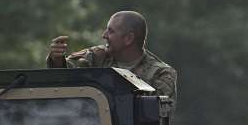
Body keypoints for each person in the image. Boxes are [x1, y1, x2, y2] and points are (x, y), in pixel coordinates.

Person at [46, 11, 177, 103]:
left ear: (128, 38)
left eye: (111, 31)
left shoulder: (161, 74)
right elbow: (65, 77)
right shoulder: (97, 56)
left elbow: (158, 115)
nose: (104, 35)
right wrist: (57, 60)